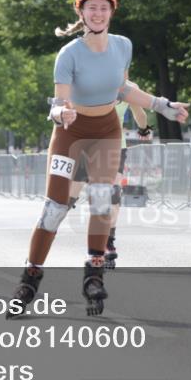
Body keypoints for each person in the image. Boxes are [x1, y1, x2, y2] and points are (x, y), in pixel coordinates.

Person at [7, 0, 188, 317]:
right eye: (91, 8)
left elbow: (122, 88)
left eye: (104, 8)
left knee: (103, 197)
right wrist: (61, 113)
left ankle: (94, 272)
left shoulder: (122, 46)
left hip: (106, 129)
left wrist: (162, 105)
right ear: (81, 12)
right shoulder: (69, 54)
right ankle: (30, 277)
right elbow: (58, 103)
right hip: (70, 133)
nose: (98, 13)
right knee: (54, 209)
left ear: (112, 12)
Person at [66, 94, 152, 270]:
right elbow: (141, 115)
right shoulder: (129, 88)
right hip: (107, 146)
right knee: (107, 193)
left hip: (91, 144)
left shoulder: (94, 81)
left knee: (71, 198)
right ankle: (108, 243)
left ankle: (107, 243)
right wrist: (143, 130)